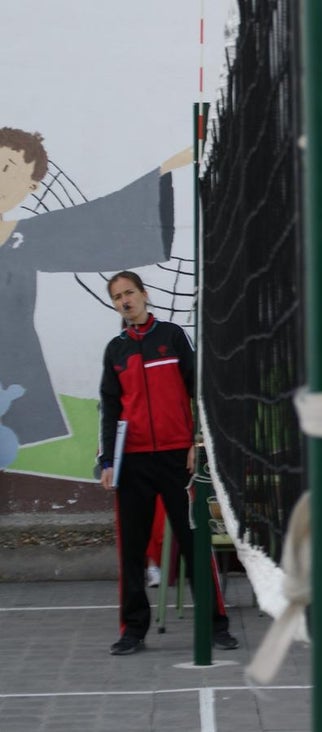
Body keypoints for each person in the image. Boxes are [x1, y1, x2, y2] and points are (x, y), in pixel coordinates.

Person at [1, 127, 187, 446]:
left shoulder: (27, 238)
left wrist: (170, 167)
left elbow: (98, 224)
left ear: (31, 187)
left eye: (7, 168)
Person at [98, 271, 237, 655]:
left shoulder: (173, 337)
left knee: (196, 543)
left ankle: (216, 626)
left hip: (179, 458)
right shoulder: (116, 350)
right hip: (133, 463)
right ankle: (132, 631)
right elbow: (109, 409)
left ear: (144, 295)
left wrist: (197, 440)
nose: (125, 301)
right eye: (117, 297)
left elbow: (199, 390)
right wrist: (108, 460)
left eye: (129, 293)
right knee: (132, 551)